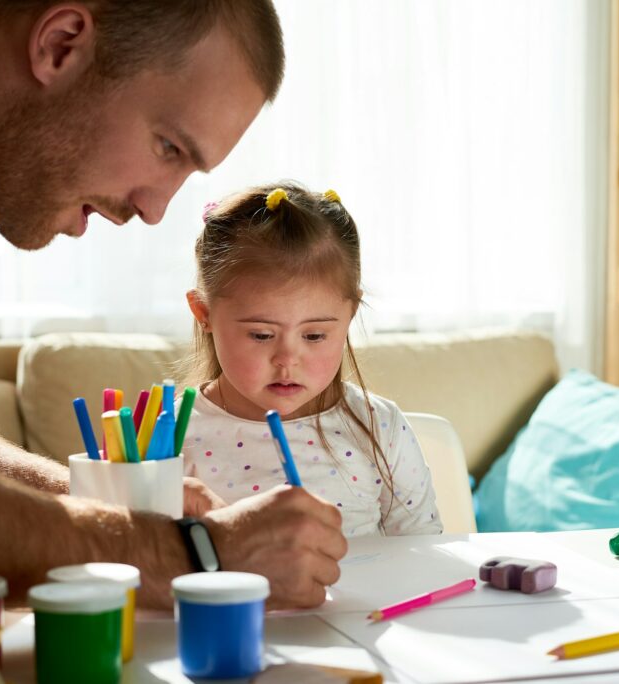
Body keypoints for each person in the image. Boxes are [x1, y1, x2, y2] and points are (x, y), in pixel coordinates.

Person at [0, 0, 346, 609]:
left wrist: (109, 508)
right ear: (60, 44)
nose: (156, 209)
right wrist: (188, 552)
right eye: (168, 147)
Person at [181, 183, 443, 537]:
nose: (287, 359)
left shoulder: (379, 427)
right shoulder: (171, 435)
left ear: (350, 314)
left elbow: (422, 553)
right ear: (204, 312)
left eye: (315, 336)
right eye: (261, 335)